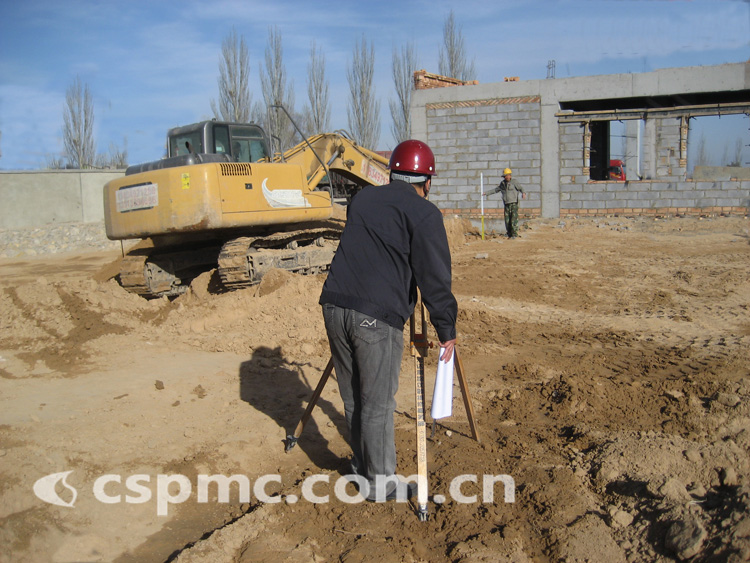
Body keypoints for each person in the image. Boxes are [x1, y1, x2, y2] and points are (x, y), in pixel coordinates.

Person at [319, 139, 458, 502]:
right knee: (377, 404)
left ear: (392, 172)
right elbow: (434, 277)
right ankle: (381, 485)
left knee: (354, 398)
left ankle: (362, 467)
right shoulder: (425, 214)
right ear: (427, 181)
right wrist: (446, 328)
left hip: (334, 304)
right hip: (375, 317)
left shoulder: (363, 199)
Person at [483, 168, 525, 238]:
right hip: (506, 204)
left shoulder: (514, 182)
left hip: (514, 203)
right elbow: (496, 190)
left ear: (510, 175)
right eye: (505, 176)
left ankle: (514, 234)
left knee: (513, 219)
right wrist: (486, 193)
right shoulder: (503, 183)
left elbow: (521, 188)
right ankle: (509, 233)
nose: (506, 177)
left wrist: (523, 193)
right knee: (507, 220)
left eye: (507, 175)